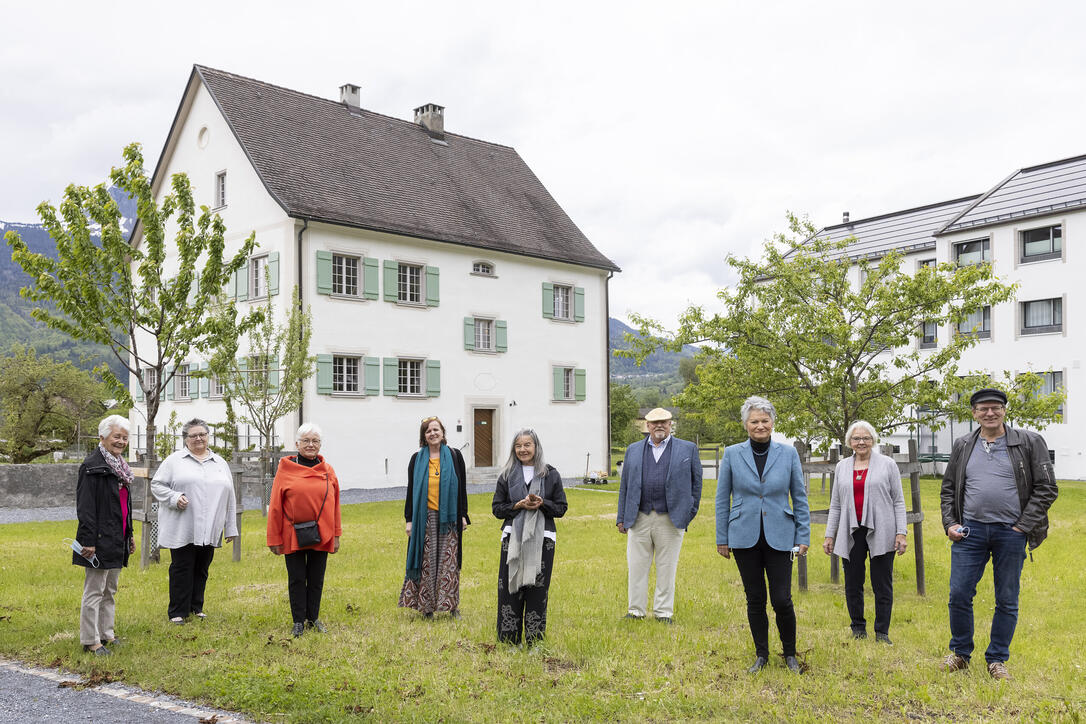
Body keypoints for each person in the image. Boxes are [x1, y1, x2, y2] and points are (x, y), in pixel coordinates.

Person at [940, 387, 1058, 680]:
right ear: (974, 413)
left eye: (995, 407)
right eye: (983, 408)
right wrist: (950, 523)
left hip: (1010, 533)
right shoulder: (963, 444)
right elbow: (948, 489)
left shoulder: (1029, 442)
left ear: (1005, 410)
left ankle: (996, 659)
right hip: (970, 532)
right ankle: (960, 653)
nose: (990, 413)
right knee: (958, 594)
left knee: (1007, 598)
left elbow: (1047, 488)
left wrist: (1022, 527)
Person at [716, 396, 810, 674]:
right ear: (746, 425)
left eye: (765, 421)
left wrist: (802, 535)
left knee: (782, 598)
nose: (760, 426)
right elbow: (723, 499)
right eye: (754, 421)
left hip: (781, 534)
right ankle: (761, 655)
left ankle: (790, 654)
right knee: (755, 597)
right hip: (743, 535)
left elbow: (799, 497)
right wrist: (722, 537)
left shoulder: (788, 453)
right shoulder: (732, 454)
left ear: (772, 423)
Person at [823, 420, 907, 644]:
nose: (861, 442)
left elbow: (898, 501)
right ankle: (858, 629)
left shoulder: (888, 464)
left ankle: (882, 632)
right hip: (851, 532)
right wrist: (829, 535)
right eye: (857, 438)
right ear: (850, 442)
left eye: (866, 438)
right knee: (852, 582)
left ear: (873, 440)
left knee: (882, 583)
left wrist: (901, 532)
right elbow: (836, 505)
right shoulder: (842, 466)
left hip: (883, 530)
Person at [616, 407, 702, 623]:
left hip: (671, 517)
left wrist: (688, 513)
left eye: (664, 421)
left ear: (671, 424)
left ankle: (663, 612)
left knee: (667, 566)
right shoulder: (633, 450)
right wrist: (621, 517)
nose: (659, 426)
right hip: (639, 516)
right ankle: (636, 611)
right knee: (636, 566)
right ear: (647, 426)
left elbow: (696, 485)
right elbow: (625, 486)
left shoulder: (687, 449)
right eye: (654, 423)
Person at [151, 418, 237, 624]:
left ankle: (196, 607)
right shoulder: (174, 461)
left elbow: (230, 496)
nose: (198, 438)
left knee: (202, 567)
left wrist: (230, 527)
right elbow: (157, 485)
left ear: (208, 437)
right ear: (185, 439)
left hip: (210, 524)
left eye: (202, 435)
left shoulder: (219, 463)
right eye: (193, 435)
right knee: (182, 566)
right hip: (183, 523)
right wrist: (174, 498)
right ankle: (177, 611)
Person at [491, 429, 568, 645]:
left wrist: (543, 503)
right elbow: (497, 509)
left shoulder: (550, 474)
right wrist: (517, 505)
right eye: (518, 446)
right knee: (509, 587)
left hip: (543, 538)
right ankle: (509, 640)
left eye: (527, 445)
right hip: (512, 539)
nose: (523, 449)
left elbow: (561, 508)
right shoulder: (506, 475)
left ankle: (535, 641)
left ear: (536, 447)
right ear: (513, 449)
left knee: (537, 589)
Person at [267, 423, 342, 637]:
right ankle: (298, 620)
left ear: (320, 444)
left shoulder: (328, 471)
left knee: (317, 577)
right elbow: (275, 506)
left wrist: (336, 534)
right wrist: (274, 538)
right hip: (292, 533)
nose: (311, 445)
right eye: (306, 441)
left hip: (322, 532)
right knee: (297, 578)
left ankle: (314, 617)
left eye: (315, 441)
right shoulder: (285, 469)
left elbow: (335, 504)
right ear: (297, 444)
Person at [73, 415, 135, 656]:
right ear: (103, 437)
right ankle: (91, 640)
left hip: (116, 537)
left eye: (124, 437)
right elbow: (85, 507)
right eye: (116, 436)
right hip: (97, 539)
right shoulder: (92, 466)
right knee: (94, 591)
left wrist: (129, 535)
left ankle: (106, 633)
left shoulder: (120, 467)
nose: (120, 441)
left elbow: (124, 507)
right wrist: (87, 541)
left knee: (110, 590)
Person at [399, 416, 470, 617]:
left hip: (449, 518)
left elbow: (462, 489)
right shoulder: (417, 459)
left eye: (436, 429)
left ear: (443, 432)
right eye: (428, 431)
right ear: (424, 436)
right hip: (425, 518)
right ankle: (426, 607)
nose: (433, 433)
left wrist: (463, 515)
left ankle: (451, 606)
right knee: (427, 562)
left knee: (449, 563)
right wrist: (409, 520)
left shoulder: (455, 456)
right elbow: (411, 492)